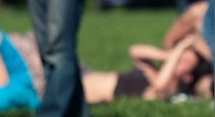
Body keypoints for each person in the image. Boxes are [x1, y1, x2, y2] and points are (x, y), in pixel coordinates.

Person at [83, 34, 213, 104]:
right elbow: (135, 51)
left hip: (80, 90)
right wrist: (168, 55)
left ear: (188, 77)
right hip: (83, 73)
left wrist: (179, 50)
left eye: (184, 61)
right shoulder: (152, 70)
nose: (178, 59)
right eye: (179, 55)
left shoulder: (168, 91)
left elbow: (160, 86)